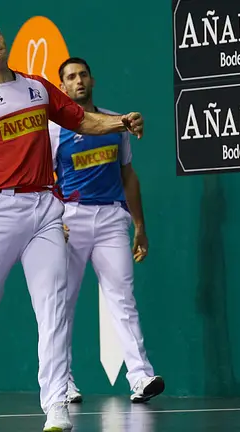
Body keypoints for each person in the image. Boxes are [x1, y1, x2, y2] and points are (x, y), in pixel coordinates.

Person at [0, 15, 145, 432]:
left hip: (46, 209)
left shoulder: (36, 87)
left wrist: (118, 121)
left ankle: (56, 406)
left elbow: (80, 119)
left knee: (53, 307)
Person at [49, 57, 164, 405]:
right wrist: (54, 221)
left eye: (83, 74)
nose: (78, 81)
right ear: (62, 88)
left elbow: (128, 174)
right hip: (70, 221)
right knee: (62, 304)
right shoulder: (53, 130)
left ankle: (140, 377)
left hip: (112, 219)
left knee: (123, 298)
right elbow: (44, 181)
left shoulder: (115, 122)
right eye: (71, 77)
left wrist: (139, 226)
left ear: (92, 80)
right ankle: (62, 382)